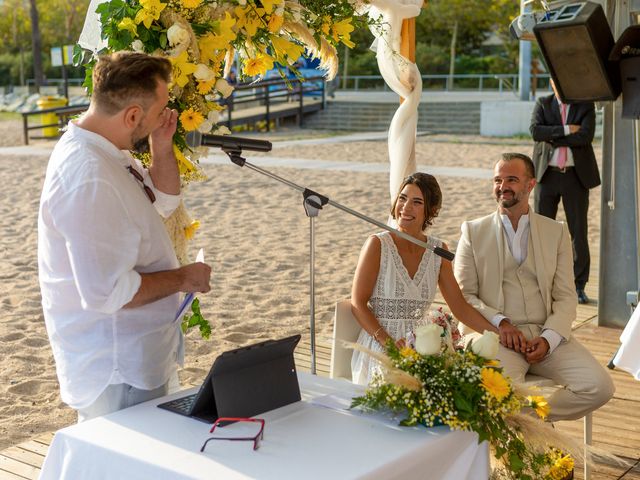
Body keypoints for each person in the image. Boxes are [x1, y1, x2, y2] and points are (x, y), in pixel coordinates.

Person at [38, 52, 212, 421]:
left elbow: (162, 202)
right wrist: (183, 278)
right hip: (116, 365)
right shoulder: (89, 175)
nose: (165, 117)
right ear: (133, 115)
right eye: (160, 110)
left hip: (137, 354)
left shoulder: (107, 150)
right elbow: (106, 292)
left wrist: (161, 147)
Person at [454, 153, 614, 422]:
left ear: (531, 185)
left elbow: (565, 296)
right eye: (497, 180)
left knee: (599, 387)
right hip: (495, 337)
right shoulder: (473, 231)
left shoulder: (556, 231)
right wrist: (501, 324)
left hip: (545, 335)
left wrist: (549, 338)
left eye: (512, 179)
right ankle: (520, 426)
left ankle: (527, 417)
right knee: (500, 393)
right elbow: (463, 295)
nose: (502, 186)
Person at [350, 173, 498, 385]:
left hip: (424, 345)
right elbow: (357, 303)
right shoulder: (377, 244)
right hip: (381, 346)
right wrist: (389, 344)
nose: (405, 207)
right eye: (403, 198)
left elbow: (460, 307)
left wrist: (496, 333)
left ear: (432, 210)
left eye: (417, 202)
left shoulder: (438, 250)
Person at [530, 79, 600, 304]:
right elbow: (535, 132)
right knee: (541, 232)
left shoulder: (585, 105)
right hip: (546, 176)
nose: (560, 84)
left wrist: (553, 136)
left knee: (578, 233)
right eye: (555, 81)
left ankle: (579, 286)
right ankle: (542, 284)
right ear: (551, 83)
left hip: (575, 177)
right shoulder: (543, 103)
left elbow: (586, 137)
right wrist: (566, 130)